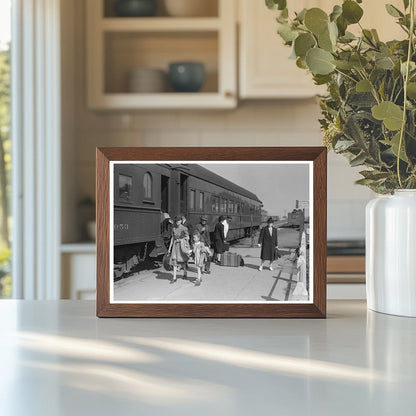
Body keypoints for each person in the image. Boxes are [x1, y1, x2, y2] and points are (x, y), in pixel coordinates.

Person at [168, 215, 192, 283]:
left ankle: (185, 273)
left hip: (181, 246)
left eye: (178, 221)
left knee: (183, 261)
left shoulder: (184, 228)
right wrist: (169, 249)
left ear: (181, 221)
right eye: (176, 221)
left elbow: (188, 237)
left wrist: (182, 241)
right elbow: (172, 238)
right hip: (175, 246)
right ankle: (174, 277)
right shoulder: (174, 228)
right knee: (174, 261)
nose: (177, 222)